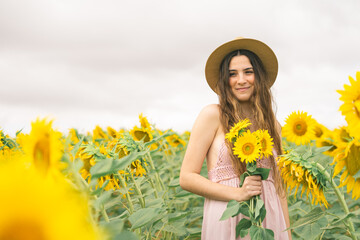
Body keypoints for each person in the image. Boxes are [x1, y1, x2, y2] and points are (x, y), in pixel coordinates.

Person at [179, 37, 291, 240]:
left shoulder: (272, 124)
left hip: (269, 220)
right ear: (225, 80)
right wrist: (238, 194)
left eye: (248, 72)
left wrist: (287, 235)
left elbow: (279, 187)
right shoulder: (213, 115)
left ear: (259, 76)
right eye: (232, 74)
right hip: (228, 217)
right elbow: (187, 177)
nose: (241, 80)